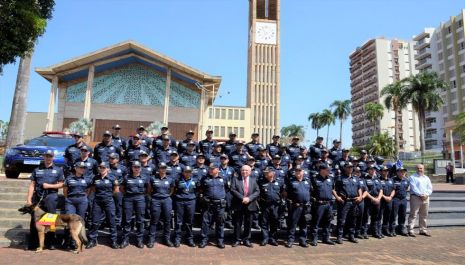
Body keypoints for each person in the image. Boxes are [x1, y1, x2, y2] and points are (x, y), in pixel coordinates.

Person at [26, 149, 64, 250]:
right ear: (44, 157)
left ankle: (50, 242)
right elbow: (32, 185)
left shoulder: (58, 169)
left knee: (51, 220)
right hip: (37, 198)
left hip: (51, 197)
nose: (48, 158)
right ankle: (33, 243)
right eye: (47, 156)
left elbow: (62, 184)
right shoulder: (37, 169)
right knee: (34, 220)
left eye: (50, 156)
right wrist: (29, 200)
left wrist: (49, 186)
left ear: (53, 157)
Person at [86, 162, 119, 249]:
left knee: (112, 221)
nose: (101, 168)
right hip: (97, 201)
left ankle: (113, 240)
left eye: (103, 167)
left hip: (109, 201)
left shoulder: (112, 178)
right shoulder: (95, 178)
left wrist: (109, 196)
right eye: (100, 167)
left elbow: (116, 190)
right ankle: (92, 240)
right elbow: (93, 188)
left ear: (107, 169)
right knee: (95, 221)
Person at [120, 161, 149, 249]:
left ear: (140, 168)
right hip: (128, 198)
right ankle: (125, 239)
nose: (136, 168)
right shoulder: (126, 177)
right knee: (127, 219)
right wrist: (127, 194)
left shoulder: (144, 177)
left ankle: (139, 239)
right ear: (132, 168)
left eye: (138, 167)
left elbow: (148, 188)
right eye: (134, 167)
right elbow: (121, 187)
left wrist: (142, 195)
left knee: (140, 219)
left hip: (140, 198)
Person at [198, 165, 228, 249]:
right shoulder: (204, 178)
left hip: (220, 204)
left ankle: (220, 241)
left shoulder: (223, 178)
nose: (210, 170)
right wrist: (203, 198)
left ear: (218, 169)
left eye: (212, 169)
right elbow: (200, 189)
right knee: (205, 223)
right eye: (209, 168)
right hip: (208, 205)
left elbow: (227, 188)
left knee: (220, 223)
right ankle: (204, 240)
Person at [230, 165, 260, 248]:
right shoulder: (236, 179)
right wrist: (242, 198)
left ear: (250, 172)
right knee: (237, 223)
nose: (244, 172)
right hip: (238, 204)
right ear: (240, 171)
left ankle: (246, 239)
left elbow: (257, 191)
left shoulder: (254, 180)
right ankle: (237, 239)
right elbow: (233, 189)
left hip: (250, 204)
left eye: (246, 170)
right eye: (243, 170)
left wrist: (249, 198)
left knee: (248, 223)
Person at [333, 162, 362, 244]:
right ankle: (339, 237)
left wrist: (360, 196)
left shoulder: (355, 178)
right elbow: (333, 189)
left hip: (354, 201)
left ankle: (351, 236)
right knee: (341, 220)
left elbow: (359, 188)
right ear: (345, 168)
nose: (350, 169)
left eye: (351, 167)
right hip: (344, 202)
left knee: (353, 220)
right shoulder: (339, 178)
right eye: (348, 167)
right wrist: (337, 197)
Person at [147, 162, 175, 248]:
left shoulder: (170, 179)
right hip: (155, 200)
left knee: (167, 220)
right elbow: (148, 190)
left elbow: (172, 190)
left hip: (166, 200)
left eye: (164, 168)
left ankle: (166, 239)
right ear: (158, 169)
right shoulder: (152, 178)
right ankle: (151, 239)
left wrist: (166, 196)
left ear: (166, 169)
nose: (162, 169)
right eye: (161, 168)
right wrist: (153, 198)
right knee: (154, 220)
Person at [284, 166, 311, 248]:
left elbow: (310, 191)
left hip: (305, 206)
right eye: (297, 171)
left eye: (300, 171)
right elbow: (285, 193)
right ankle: (290, 241)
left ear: (303, 172)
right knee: (293, 224)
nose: (298, 172)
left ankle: (302, 240)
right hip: (295, 206)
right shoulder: (291, 181)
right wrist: (290, 201)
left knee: (304, 224)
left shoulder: (307, 181)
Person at [309, 164, 335, 246]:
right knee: (316, 222)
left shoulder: (330, 179)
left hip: (329, 204)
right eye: (327, 169)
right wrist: (314, 199)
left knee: (327, 222)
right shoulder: (314, 179)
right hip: (319, 204)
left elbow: (332, 189)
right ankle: (314, 239)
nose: (329, 171)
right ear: (322, 170)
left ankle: (326, 238)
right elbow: (309, 191)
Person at [258, 169, 284, 246]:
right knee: (264, 223)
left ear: (273, 173)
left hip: (276, 206)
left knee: (274, 222)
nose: (267, 175)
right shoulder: (261, 182)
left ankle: (273, 239)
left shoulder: (279, 182)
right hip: (265, 205)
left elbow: (283, 192)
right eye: (265, 174)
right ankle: (265, 238)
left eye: (268, 173)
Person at [173, 167, 198, 247]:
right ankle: (177, 239)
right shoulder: (178, 180)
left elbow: (199, 190)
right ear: (183, 172)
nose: (187, 173)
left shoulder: (195, 180)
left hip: (191, 201)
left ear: (191, 172)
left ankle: (189, 239)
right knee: (178, 221)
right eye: (186, 172)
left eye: (189, 172)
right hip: (180, 201)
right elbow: (173, 189)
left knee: (190, 221)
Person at [407, 164, 433, 237]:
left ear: (423, 169)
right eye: (418, 168)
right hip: (415, 197)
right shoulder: (412, 177)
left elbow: (430, 188)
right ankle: (410, 230)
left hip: (426, 198)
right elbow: (413, 187)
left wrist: (426, 195)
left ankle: (423, 230)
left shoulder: (426, 178)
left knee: (424, 215)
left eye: (421, 168)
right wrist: (420, 195)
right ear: (416, 169)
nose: (419, 169)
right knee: (413, 214)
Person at [361, 165, 383, 239]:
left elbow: (381, 190)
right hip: (368, 200)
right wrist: (373, 198)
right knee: (366, 217)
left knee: (375, 217)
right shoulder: (364, 179)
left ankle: (375, 232)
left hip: (377, 200)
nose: (373, 170)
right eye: (371, 169)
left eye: (374, 169)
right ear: (368, 170)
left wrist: (379, 198)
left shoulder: (378, 179)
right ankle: (364, 232)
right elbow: (365, 191)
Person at [108, 152, 127, 229]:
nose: (111, 160)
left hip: (118, 190)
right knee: (108, 207)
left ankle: (118, 223)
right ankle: (108, 222)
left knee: (118, 207)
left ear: (117, 159)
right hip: (108, 190)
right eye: (110, 158)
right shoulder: (106, 167)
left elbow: (125, 179)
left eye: (113, 158)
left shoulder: (123, 168)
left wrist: (121, 189)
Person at [389, 166, 410, 237]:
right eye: (401, 171)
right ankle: (392, 230)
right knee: (393, 215)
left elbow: (406, 188)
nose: (402, 173)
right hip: (395, 199)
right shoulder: (393, 180)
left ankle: (401, 229)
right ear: (397, 172)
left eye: (404, 171)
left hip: (403, 200)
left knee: (403, 215)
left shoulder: (406, 180)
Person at [378, 165, 395, 237]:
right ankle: (378, 231)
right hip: (381, 200)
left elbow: (394, 189)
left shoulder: (391, 180)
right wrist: (385, 197)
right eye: (384, 171)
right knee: (379, 216)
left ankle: (385, 230)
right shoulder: (378, 180)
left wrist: (390, 197)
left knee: (387, 216)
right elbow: (378, 191)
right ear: (381, 172)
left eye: (387, 171)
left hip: (389, 200)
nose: (386, 172)